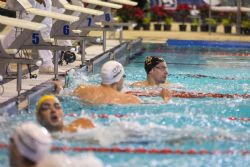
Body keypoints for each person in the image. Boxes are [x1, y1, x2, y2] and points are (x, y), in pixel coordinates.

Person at [5, 0, 54, 74]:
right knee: (24, 27)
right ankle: (3, 57)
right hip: (28, 5)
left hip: (41, 4)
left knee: (44, 26)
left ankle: (46, 63)